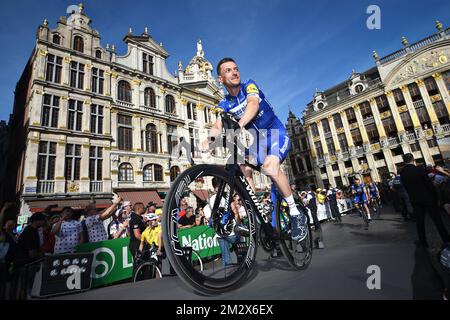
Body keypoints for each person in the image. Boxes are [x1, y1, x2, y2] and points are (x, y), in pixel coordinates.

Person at [201, 57, 307, 242]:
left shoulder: (249, 86)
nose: (234, 72)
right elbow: (218, 126)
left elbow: (253, 105)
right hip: (257, 143)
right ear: (220, 79)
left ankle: (295, 211)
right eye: (228, 70)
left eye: (236, 69)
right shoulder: (225, 103)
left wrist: (239, 124)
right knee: (238, 162)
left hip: (275, 134)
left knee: (270, 165)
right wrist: (206, 143)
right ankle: (254, 211)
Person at [400, 153, 450, 248]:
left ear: (404, 161)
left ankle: (423, 242)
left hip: (415, 200)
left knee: (420, 222)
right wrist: (436, 197)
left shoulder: (402, 173)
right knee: (437, 220)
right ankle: (446, 239)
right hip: (428, 198)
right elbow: (429, 184)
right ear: (413, 159)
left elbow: (406, 187)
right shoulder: (419, 169)